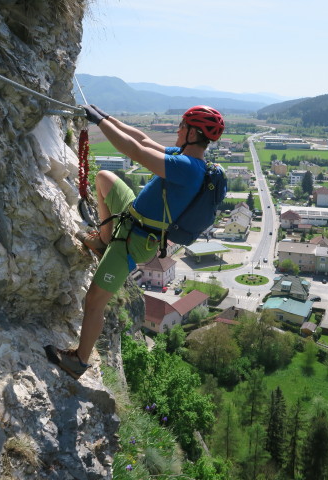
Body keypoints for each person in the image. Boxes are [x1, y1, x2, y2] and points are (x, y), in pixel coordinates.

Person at [45, 105, 225, 379]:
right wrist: (106, 117)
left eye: (181, 126)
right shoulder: (183, 157)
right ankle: (105, 241)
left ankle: (78, 362)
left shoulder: (187, 168)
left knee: (95, 300)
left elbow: (135, 151)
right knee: (105, 178)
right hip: (132, 219)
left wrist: (100, 123)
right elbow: (142, 140)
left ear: (191, 132)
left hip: (136, 240)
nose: (177, 130)